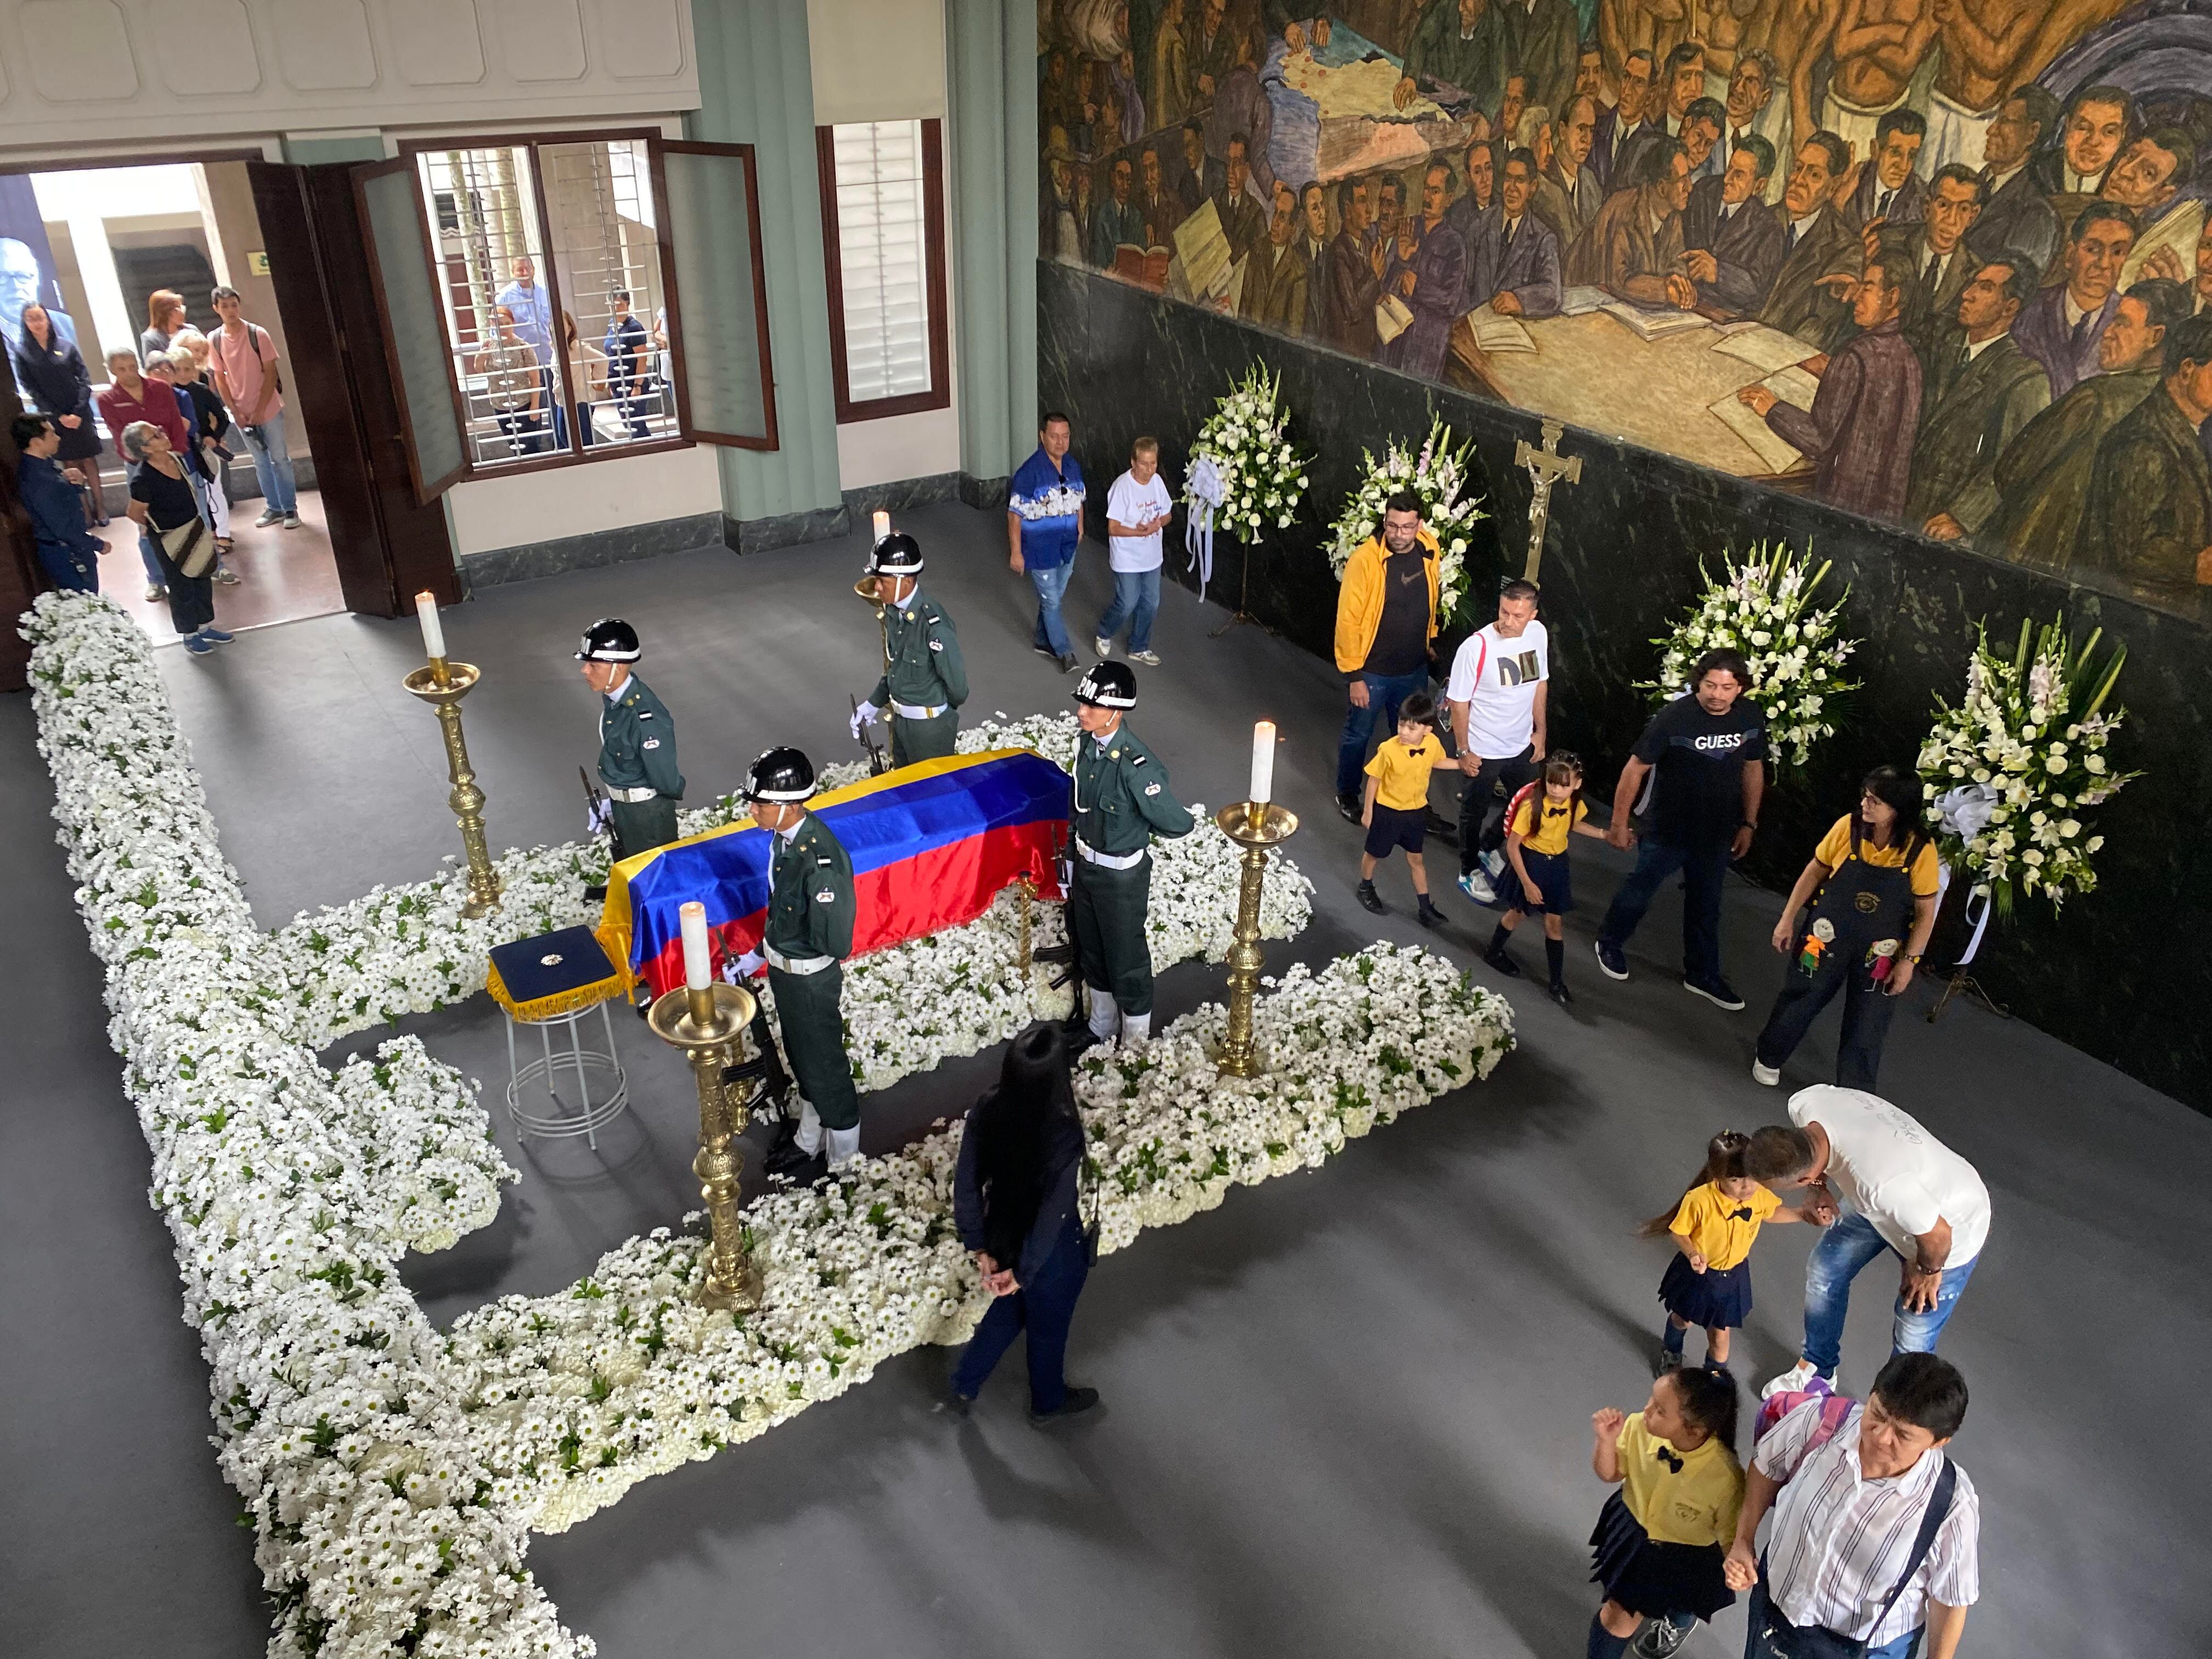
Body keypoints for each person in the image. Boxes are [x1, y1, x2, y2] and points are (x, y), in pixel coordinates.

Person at [1726, 1353, 1979, 1659]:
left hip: (1861, 1649)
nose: (1881, 1437)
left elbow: (1950, 1598)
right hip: (1775, 1608)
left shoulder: (1950, 1505)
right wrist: (1743, 1539)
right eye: (1878, 1414)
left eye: (1903, 1435)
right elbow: (1768, 1465)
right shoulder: (1821, 1422)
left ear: (1938, 1442)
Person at [1747, 1086, 1992, 1397]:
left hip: (1949, 1227)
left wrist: (1925, 1271)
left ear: (1802, 1177)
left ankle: (1895, 1409)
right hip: (1891, 1200)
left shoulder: (1879, 1185)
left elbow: (1938, 1235)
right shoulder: (1805, 1104)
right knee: (1826, 1268)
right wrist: (1818, 1189)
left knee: (1913, 1329)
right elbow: (1827, 1172)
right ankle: (1817, 1371)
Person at [1594, 647, 1768, 1010]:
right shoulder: (1674, 718)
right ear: (1697, 682)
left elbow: (1753, 768)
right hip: (1668, 828)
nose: (1717, 695)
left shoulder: (1750, 717)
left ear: (1740, 689)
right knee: (1640, 890)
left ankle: (1701, 974)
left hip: (1717, 833)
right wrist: (1619, 824)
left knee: (1707, 906)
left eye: (1726, 687)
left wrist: (1749, 822)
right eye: (1709, 685)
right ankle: (1609, 942)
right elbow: (1634, 770)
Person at [945, 1024, 1099, 1424]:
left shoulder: (988, 1107)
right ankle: (1048, 1401)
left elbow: (966, 1182)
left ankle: (966, 1380)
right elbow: (1054, 1213)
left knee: (1007, 1313)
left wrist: (980, 1247)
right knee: (1048, 1327)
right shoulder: (1062, 1132)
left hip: (1002, 1234)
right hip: (1050, 1255)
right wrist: (1026, 1273)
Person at [1752, 768, 1940, 1092]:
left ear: (1899, 809)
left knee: (1869, 1021)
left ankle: (1856, 1094)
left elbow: (1926, 912)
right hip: (1825, 936)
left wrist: (1910, 962)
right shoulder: (1847, 828)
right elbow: (1814, 872)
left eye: (1875, 801)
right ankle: (1769, 1056)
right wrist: (1787, 918)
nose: (1865, 804)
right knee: (1802, 996)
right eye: (1865, 795)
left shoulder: (1921, 850)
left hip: (1881, 952)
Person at [730, 747, 862, 1182]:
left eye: (760, 804)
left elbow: (833, 940)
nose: (752, 810)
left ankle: (844, 1155)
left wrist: (788, 956)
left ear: (787, 806)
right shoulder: (785, 842)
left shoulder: (818, 859)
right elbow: (781, 915)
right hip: (786, 974)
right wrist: (759, 955)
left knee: (825, 1064)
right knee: (803, 1059)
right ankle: (810, 1137)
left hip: (808, 979)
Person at [1987, 279, 2183, 571]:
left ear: (2156, 337)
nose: (2107, 332)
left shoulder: (2094, 399)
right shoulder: (2170, 411)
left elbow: (2010, 471)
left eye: (2122, 323)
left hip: (2031, 554)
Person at [1065, 661, 1194, 1054]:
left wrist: (1134, 831)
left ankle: (1135, 1042)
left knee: (1127, 959)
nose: (1081, 713)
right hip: (1088, 868)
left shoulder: (1137, 767)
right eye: (1082, 704)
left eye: (1091, 707)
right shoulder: (1090, 745)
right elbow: (1081, 806)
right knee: (1093, 949)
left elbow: (1177, 823)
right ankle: (1101, 1025)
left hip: (1121, 879)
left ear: (1116, 712)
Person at [1740, 246, 1921, 520]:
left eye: (1868, 288)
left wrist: (1772, 408)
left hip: (1837, 507)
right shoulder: (1910, 361)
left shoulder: (1854, 357)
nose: (1856, 297)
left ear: (1893, 297)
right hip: (1883, 517)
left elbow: (1819, 441)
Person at [1586, 1367, 1744, 1659]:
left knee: (1683, 1600)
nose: (1646, 1411)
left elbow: (1731, 1537)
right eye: (1651, 1401)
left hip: (1688, 1556)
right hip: (1634, 1534)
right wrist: (1606, 1441)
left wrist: (1738, 1568)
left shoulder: (1725, 1478)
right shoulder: (1636, 1428)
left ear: (1693, 1431)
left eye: (1660, 1410)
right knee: (1618, 1617)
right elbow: (1610, 1473)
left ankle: (1680, 1621)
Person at [2072, 314, 2212, 608]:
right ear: (2187, 370)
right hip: (2130, 619)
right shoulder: (2145, 444)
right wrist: (2196, 565)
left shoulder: (2185, 430)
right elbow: (2133, 548)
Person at [1909, 259, 2050, 543]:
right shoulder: (1941, 346)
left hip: (1952, 529)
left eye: (1985, 288)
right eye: (1973, 283)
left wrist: (1963, 516)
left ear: (2011, 307)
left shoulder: (2026, 377)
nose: (1967, 294)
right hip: (1907, 504)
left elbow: (2018, 463)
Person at [1642, 1130, 1802, 1375]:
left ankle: (1715, 1378)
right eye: (1736, 1180)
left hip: (1732, 1276)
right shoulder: (1699, 1200)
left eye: (1751, 1177)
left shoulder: (1759, 1195)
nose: (1747, 1186)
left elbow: (1771, 1213)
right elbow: (1679, 1231)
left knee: (1720, 1334)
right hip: (1698, 1274)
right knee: (1682, 1318)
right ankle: (1671, 1351)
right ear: (1717, 1176)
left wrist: (1801, 1214)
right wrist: (1693, 1254)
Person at [1333, 492, 1441, 823]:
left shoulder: (1430, 549)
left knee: (1410, 739)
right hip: (1373, 673)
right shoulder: (1365, 561)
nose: (1399, 534)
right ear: (1384, 523)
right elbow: (1348, 620)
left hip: (1413, 670)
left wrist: (1431, 637)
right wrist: (1354, 676)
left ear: (1419, 525)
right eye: (1392, 526)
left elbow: (1431, 597)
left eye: (1407, 527)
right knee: (1359, 735)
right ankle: (1348, 793)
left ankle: (1406, 799)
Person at [1445, 576, 1548, 902]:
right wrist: (1463, 750)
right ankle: (1468, 868)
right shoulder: (1475, 647)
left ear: (1532, 615)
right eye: (1504, 612)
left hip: (1521, 744)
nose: (1508, 621)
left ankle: (1489, 848)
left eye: (1518, 616)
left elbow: (1540, 683)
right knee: (1472, 812)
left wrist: (1541, 731)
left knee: (1526, 803)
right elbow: (1458, 701)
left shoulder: (1538, 634)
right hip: (1483, 747)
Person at [1483, 752, 1605, 1003]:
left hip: (1558, 865)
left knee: (1554, 924)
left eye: (1564, 785)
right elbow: (1513, 846)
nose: (1557, 790)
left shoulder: (1573, 804)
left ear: (1577, 784)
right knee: (1518, 913)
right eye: (1552, 783)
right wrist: (1527, 884)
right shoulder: (1531, 807)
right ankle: (1493, 952)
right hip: (1531, 863)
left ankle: (1557, 983)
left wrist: (1605, 834)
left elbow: (1574, 823)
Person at [851, 531, 969, 765]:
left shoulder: (933, 625)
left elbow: (959, 689)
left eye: (883, 581)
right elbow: (895, 670)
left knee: (930, 793)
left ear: (905, 580)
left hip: (929, 731)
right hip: (902, 724)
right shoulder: (895, 613)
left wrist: (939, 713)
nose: (877, 587)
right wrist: (873, 704)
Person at [575, 618, 685, 867]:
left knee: (654, 883)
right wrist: (616, 799)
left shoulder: (643, 716)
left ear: (619, 667)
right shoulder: (615, 702)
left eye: (593, 664)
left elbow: (668, 782)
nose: (585, 670)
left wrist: (635, 798)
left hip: (647, 818)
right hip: (626, 810)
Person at [95, 343, 193, 603]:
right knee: (147, 525)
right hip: (139, 466)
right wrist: (145, 462)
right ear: (111, 370)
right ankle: (157, 579)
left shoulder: (160, 388)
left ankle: (203, 566)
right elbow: (120, 437)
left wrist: (178, 452)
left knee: (193, 514)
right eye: (121, 369)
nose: (128, 373)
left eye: (131, 366)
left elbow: (175, 421)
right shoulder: (107, 400)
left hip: (173, 459)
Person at [2011, 202, 2137, 400]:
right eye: (2093, 249)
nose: (2104, 264)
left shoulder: (2130, 323)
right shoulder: (2030, 310)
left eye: (2118, 252)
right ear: (2070, 254)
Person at [122, 421, 229, 654]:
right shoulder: (143, 479)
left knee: (202, 576)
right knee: (181, 586)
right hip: (168, 537)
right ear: (146, 449)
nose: (163, 434)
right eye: (156, 435)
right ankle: (189, 634)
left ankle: (204, 627)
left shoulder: (175, 458)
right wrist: (151, 528)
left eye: (160, 430)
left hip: (194, 527)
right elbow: (134, 513)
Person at [1356, 691, 1456, 927]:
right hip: (1388, 811)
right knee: (1374, 853)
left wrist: (1461, 765)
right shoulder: (1388, 749)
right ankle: (1365, 886)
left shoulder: (1432, 744)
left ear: (1427, 730)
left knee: (1416, 859)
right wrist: (1368, 811)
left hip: (1415, 812)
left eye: (1411, 728)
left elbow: (1438, 761)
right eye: (1401, 725)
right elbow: (1373, 779)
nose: (1403, 732)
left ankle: (1425, 907)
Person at [1756, 133, 1864, 353]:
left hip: (1783, 358)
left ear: (1833, 188)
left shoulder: (1844, 248)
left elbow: (1819, 330)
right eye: (1798, 168)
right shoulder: (1759, 219)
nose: (1799, 180)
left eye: (1814, 174)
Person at [207, 285, 301, 529]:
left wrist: (260, 409)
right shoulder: (215, 340)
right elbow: (220, 377)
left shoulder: (257, 334)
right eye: (224, 306)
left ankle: (290, 509)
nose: (230, 310)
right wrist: (235, 411)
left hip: (267, 408)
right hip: (241, 412)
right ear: (216, 309)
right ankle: (274, 508)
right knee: (260, 461)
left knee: (280, 458)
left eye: (234, 305)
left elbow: (270, 372)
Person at [10, 301, 105, 523]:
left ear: (48, 319)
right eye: (31, 319)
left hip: (80, 413)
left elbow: (84, 379)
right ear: (25, 322)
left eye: (40, 318)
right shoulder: (22, 352)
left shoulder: (66, 345)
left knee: (89, 460)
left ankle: (101, 508)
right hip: (53, 417)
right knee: (70, 463)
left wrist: (78, 413)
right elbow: (30, 387)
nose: (37, 323)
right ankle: (85, 512)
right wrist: (59, 416)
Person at [1008, 411, 1086, 673]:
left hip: (1067, 545)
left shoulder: (1073, 467)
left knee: (1054, 596)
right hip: (1040, 548)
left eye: (1065, 437)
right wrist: (1016, 553)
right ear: (1043, 437)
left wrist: (1080, 526)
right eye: (1054, 437)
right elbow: (1014, 515)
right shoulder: (1028, 474)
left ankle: (1042, 640)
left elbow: (1079, 501)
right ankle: (1064, 652)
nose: (1060, 442)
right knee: (1052, 601)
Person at [1380, 162, 1468, 381]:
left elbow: (1450, 301)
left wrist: (1417, 287)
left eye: (1436, 191)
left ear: (1448, 198)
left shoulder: (1455, 244)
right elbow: (1385, 288)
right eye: (1426, 188)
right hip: (1395, 341)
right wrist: (1401, 259)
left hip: (1426, 346)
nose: (1428, 196)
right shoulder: (1409, 228)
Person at [1963, 86, 2060, 275]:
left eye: (2005, 121)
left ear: (2032, 133)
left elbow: (2013, 284)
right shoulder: (1973, 185)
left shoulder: (2036, 210)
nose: (1991, 130)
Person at [1681, 134, 1781, 315]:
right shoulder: (1703, 190)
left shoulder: (1769, 228)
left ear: (1759, 185)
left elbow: (1757, 290)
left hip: (1724, 317)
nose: (1727, 179)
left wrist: (1718, 273)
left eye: (1739, 175)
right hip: (1683, 301)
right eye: (1729, 168)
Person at [1097, 436, 1172, 664]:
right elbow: (1113, 528)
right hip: (1127, 558)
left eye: (1153, 463)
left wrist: (1158, 523)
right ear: (1133, 462)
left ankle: (1138, 647)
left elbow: (1168, 514)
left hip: (1152, 557)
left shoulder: (1157, 482)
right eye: (1144, 464)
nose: (1149, 470)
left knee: (1151, 603)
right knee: (1128, 602)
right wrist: (1138, 532)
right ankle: (1104, 632)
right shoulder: (1122, 487)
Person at [1463, 148, 1564, 318]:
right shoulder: (1479, 224)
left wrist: (1520, 300)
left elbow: (1553, 292)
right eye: (1508, 178)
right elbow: (1463, 283)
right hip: (1476, 325)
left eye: (1520, 180)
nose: (1512, 188)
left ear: (1532, 188)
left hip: (1515, 329)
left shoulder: (1544, 238)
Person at [167, 345, 239, 580]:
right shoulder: (166, 394)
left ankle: (223, 533)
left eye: (188, 369)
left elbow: (222, 417)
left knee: (215, 491)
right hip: (180, 452)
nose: (183, 374)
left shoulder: (202, 391)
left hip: (204, 448)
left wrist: (214, 437)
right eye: (178, 369)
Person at [13, 413, 101, 591]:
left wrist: (76, 485)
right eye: (52, 434)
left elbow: (62, 501)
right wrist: (97, 544)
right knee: (84, 604)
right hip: (67, 553)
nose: (58, 438)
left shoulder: (45, 466)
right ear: (36, 442)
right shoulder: (38, 480)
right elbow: (61, 528)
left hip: (72, 548)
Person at [475, 305, 549, 457]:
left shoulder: (523, 347)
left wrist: (535, 407)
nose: (504, 328)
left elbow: (535, 379)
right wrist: (481, 357)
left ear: (513, 323)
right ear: (493, 325)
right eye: (500, 324)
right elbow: (481, 370)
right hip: (500, 405)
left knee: (530, 447)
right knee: (515, 447)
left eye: (507, 324)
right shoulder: (488, 344)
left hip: (523, 404)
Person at [1841, 108, 1927, 233]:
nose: (1903, 167)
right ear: (1875, 150)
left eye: (1912, 155)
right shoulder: (1852, 183)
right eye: (1895, 152)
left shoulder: (1923, 200)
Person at [602, 290, 653, 438]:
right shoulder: (612, 325)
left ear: (627, 305)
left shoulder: (634, 328)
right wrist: (609, 380)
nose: (615, 309)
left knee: (636, 424)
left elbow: (642, 358)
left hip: (632, 383)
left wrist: (637, 386)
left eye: (619, 305)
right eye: (612, 305)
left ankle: (649, 452)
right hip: (618, 383)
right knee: (628, 424)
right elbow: (610, 354)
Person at [561, 311, 606, 448]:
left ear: (570, 328)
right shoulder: (557, 348)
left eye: (564, 327)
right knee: (563, 436)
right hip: (562, 399)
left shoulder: (578, 347)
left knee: (584, 440)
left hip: (580, 399)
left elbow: (602, 360)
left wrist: (596, 381)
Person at [139, 287, 188, 367]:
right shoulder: (150, 339)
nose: (182, 312)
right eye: (177, 309)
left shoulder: (190, 330)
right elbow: (153, 368)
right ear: (164, 313)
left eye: (182, 307)